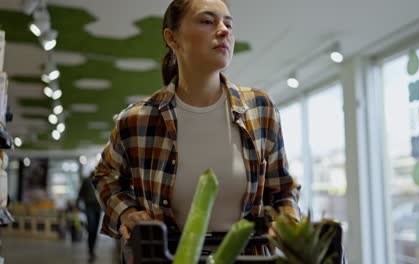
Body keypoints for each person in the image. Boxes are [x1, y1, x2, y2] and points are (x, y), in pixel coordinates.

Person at [93, 0, 300, 256]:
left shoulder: (260, 109)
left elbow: (282, 189)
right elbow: (105, 176)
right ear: (172, 38)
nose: (224, 30)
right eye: (207, 21)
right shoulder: (137, 119)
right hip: (165, 256)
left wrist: (287, 220)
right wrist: (127, 213)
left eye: (228, 23)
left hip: (249, 256)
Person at [77, 172, 102, 263]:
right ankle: (90, 250)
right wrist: (77, 205)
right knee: (91, 227)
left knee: (95, 230)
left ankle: (92, 250)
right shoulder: (87, 181)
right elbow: (80, 193)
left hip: (98, 207)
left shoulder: (100, 181)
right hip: (89, 206)